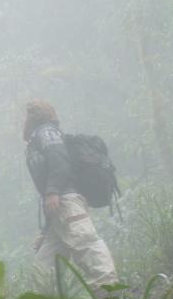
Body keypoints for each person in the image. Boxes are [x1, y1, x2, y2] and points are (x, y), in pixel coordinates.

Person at [23, 99, 118, 288]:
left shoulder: (46, 132)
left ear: (35, 116)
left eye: (28, 115)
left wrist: (52, 191)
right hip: (59, 207)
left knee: (85, 242)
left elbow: (59, 161)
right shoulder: (38, 137)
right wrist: (46, 230)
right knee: (45, 265)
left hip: (66, 200)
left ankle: (108, 289)